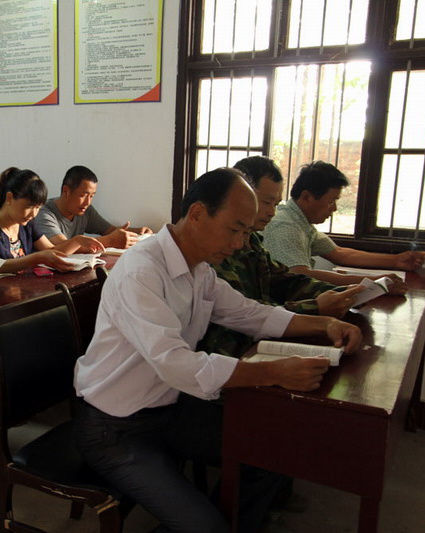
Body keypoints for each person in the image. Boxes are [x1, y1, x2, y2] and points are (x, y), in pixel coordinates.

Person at [73, 167, 363, 533]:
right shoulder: (141, 271)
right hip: (115, 428)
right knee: (206, 527)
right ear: (197, 213)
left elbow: (250, 313)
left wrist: (325, 324)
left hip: (169, 409)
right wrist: (272, 371)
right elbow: (176, 364)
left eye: (245, 232)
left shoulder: (200, 269)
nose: (240, 243)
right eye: (235, 229)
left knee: (275, 450)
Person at [200, 156, 365, 358]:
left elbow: (285, 281)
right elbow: (245, 312)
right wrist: (315, 309)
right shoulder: (216, 248)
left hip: (256, 345)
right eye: (266, 202)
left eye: (276, 204)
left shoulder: (253, 241)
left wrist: (343, 294)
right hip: (229, 352)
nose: (272, 212)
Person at [262, 161, 425, 287]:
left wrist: (396, 260)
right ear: (306, 197)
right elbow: (300, 275)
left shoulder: (301, 223)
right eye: (331, 201)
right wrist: (373, 282)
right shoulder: (285, 225)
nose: (334, 208)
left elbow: (340, 254)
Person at [0, 167, 104, 272]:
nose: (33, 214)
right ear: (9, 198)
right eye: (29, 206)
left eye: (38, 207)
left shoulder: (27, 224)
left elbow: (52, 250)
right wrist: (37, 258)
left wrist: (77, 241)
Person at [34, 165, 153, 250]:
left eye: (91, 196)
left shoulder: (85, 210)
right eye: (83, 195)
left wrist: (138, 233)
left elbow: (110, 230)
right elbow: (61, 246)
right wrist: (111, 241)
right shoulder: (43, 213)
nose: (87, 202)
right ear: (66, 191)